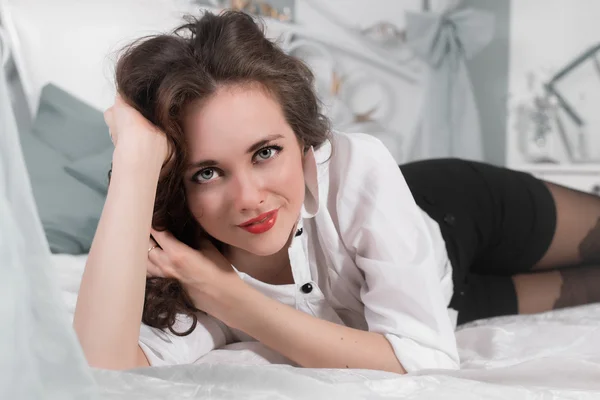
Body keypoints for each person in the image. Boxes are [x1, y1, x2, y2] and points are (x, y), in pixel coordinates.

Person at [73, 10, 600, 373]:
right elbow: (104, 370)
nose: (250, 198)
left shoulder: (358, 167)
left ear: (303, 141)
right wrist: (136, 160)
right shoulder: (185, 266)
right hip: (443, 297)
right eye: (206, 173)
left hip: (456, 210)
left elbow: (424, 361)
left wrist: (232, 300)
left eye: (265, 152)